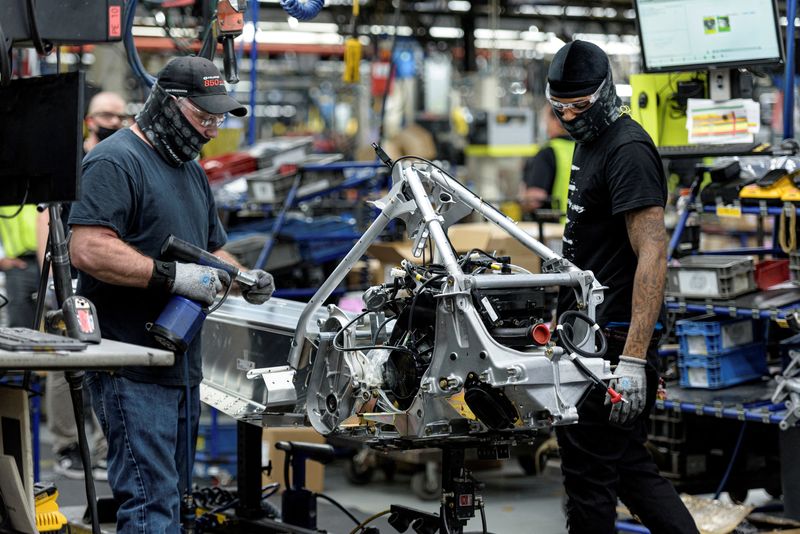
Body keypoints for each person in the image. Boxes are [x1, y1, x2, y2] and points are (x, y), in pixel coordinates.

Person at [68, 56, 274, 533]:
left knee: (176, 504)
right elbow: (88, 248)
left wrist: (245, 279)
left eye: (217, 119)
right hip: (131, 365)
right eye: (203, 117)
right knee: (149, 505)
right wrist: (171, 277)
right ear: (167, 104)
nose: (210, 130)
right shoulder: (115, 160)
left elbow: (212, 251)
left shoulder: (189, 170)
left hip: (181, 365)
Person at [548, 41, 697, 533]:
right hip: (588, 337)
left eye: (580, 106)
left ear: (606, 93)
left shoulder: (627, 148)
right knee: (630, 471)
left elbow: (653, 255)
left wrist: (632, 360)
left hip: (611, 348)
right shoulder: (591, 141)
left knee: (589, 483)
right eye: (559, 107)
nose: (569, 116)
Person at [43, 91, 129, 480]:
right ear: (89, 119)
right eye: (106, 114)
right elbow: (48, 218)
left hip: (103, 282)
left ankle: (98, 447)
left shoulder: (124, 162)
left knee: (102, 362)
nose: (113, 120)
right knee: (64, 365)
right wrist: (55, 277)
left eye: (120, 115)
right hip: (64, 275)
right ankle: (68, 445)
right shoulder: (69, 160)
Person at [519, 104, 575, 215]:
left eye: (546, 120)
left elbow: (535, 199)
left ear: (557, 121)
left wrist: (522, 200)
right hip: (579, 226)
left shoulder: (547, 152)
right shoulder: (583, 148)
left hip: (554, 227)